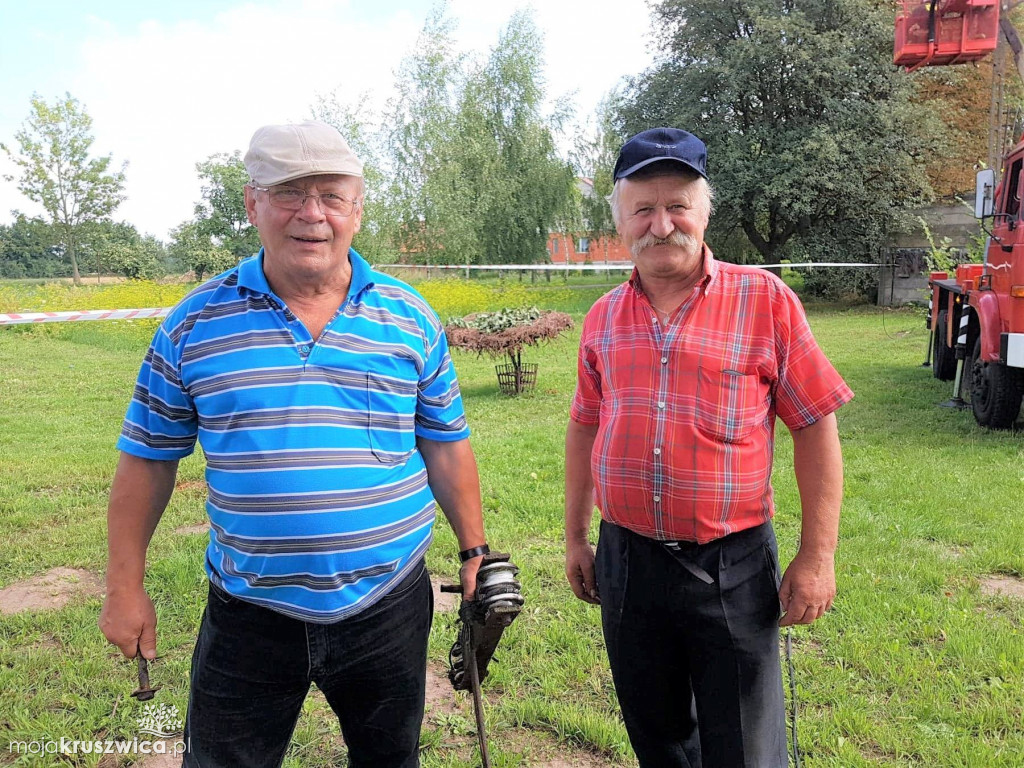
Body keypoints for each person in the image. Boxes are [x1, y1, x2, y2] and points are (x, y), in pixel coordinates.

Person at [99, 120, 489, 768]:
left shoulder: (410, 317)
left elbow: (445, 444)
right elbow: (147, 459)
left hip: (387, 604)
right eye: (289, 193)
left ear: (357, 210)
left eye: (331, 196)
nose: (312, 214)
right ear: (252, 204)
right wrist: (124, 586)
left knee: (390, 759)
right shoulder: (193, 325)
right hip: (249, 613)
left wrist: (475, 550)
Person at [564, 127, 853, 768]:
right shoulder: (603, 318)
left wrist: (817, 556)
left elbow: (814, 424)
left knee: (745, 748)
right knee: (658, 737)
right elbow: (585, 424)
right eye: (642, 208)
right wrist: (576, 538)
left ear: (704, 212)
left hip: (734, 564)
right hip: (628, 562)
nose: (660, 224)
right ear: (621, 220)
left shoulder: (765, 301)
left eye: (677, 206)